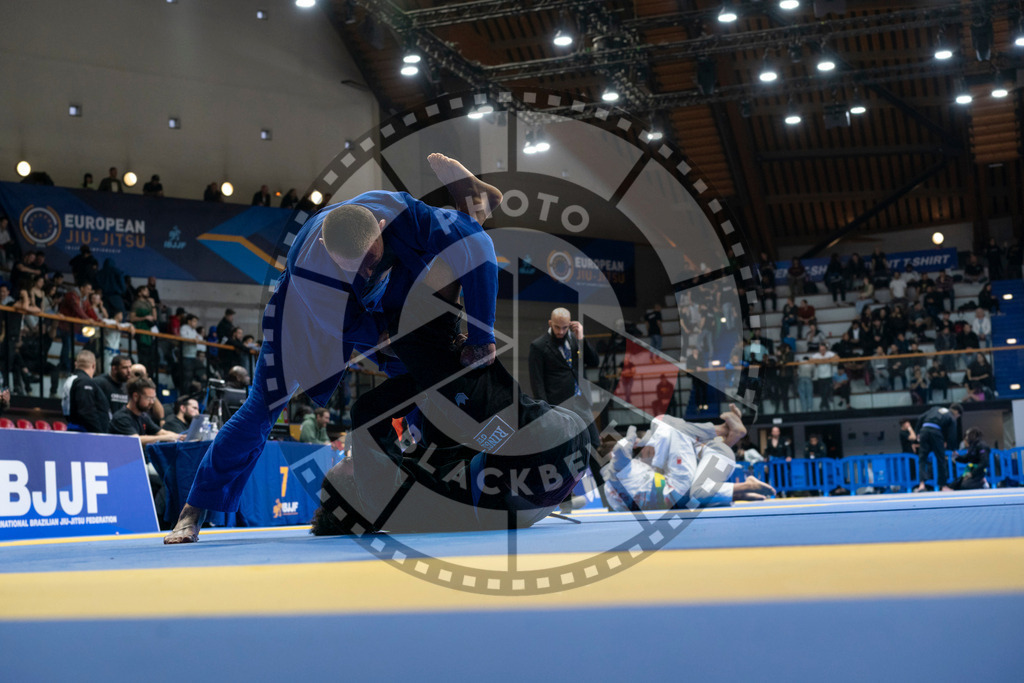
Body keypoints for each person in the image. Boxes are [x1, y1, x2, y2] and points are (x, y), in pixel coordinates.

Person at [166, 153, 504, 543]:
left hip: (392, 288)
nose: (363, 269)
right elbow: (359, 332)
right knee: (262, 405)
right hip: (306, 318)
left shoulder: (400, 213)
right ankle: (192, 511)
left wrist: (481, 337)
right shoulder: (312, 266)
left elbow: (479, 250)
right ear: (327, 247)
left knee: (465, 249)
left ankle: (473, 209)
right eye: (353, 266)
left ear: (380, 228)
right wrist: (419, 343)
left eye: (369, 259)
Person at [600, 406, 776, 512]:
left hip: (714, 458)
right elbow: (621, 452)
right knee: (664, 422)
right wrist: (630, 436)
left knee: (696, 490)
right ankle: (725, 431)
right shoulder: (619, 466)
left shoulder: (619, 487)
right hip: (710, 463)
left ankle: (730, 438)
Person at [528, 306, 600, 450]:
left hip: (581, 399)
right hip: (559, 403)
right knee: (564, 445)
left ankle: (596, 473)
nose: (560, 332)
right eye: (557, 327)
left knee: (594, 442)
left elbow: (594, 362)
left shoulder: (575, 340)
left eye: (564, 328)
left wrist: (582, 339)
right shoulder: (538, 346)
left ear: (570, 325)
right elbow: (537, 381)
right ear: (550, 323)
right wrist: (545, 409)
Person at [109, 378, 181, 444]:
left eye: (153, 399)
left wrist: (180, 437)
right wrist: (166, 438)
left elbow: (161, 432)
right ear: (135, 396)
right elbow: (136, 440)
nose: (152, 402)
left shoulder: (143, 416)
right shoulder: (121, 418)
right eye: (149, 398)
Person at [60, 350, 110, 433]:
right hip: (86, 433)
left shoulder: (70, 380)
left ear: (76, 364)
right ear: (94, 365)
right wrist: (100, 433)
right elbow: (87, 411)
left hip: (75, 428)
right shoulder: (84, 382)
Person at [914, 403, 961, 492]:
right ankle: (943, 486)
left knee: (922, 459)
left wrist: (917, 433)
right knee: (941, 459)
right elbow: (952, 435)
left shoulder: (935, 408)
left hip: (924, 430)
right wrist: (953, 449)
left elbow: (920, 417)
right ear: (957, 413)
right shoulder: (951, 416)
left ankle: (921, 484)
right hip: (935, 432)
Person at [810, 342, 836, 411]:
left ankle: (822, 405)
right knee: (822, 392)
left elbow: (837, 357)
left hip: (828, 376)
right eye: (821, 350)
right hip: (820, 376)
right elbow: (810, 360)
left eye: (823, 350)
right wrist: (821, 361)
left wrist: (828, 360)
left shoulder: (829, 353)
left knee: (827, 391)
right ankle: (826, 406)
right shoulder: (817, 355)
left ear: (826, 349)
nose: (822, 351)